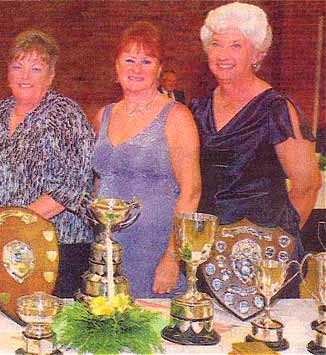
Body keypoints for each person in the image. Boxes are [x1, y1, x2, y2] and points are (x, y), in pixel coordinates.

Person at [193, 2, 321, 296]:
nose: (223, 55)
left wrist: (277, 246)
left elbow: (308, 185)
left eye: (236, 45)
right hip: (209, 252)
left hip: (263, 256)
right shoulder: (198, 108)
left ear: (257, 55)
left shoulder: (276, 109)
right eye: (216, 44)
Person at [0, 29, 95, 298]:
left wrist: (15, 224)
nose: (25, 76)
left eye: (36, 68)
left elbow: (72, 186)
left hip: (55, 246)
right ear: (8, 73)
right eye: (18, 67)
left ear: (50, 76)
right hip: (0, 247)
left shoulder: (66, 115)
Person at [92, 22, 201, 298]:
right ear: (116, 67)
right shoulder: (102, 116)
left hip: (155, 252)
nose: (136, 68)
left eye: (146, 61)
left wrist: (173, 257)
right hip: (108, 250)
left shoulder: (177, 117)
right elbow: (99, 182)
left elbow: (191, 191)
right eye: (129, 60)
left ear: (159, 69)